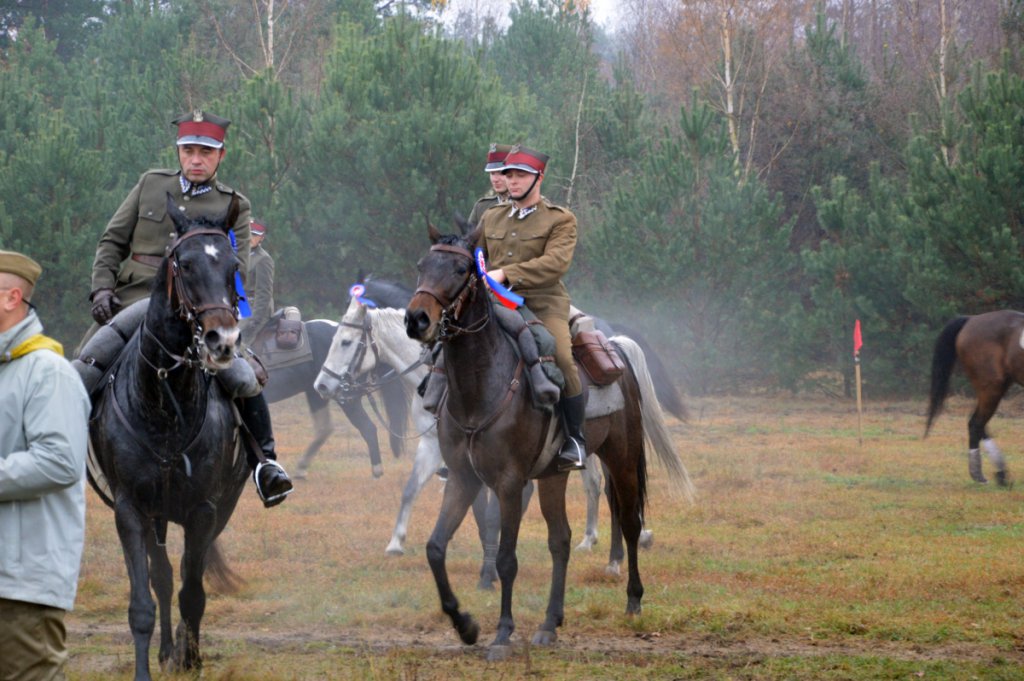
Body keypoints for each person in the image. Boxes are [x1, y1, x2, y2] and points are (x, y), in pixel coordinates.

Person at [81, 110, 292, 507]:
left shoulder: (234, 205)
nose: (196, 159)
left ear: (220, 156)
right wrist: (101, 289)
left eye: (205, 153)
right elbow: (112, 241)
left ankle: (266, 463)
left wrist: (212, 311)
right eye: (189, 150)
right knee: (82, 370)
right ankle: (63, 456)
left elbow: (237, 267)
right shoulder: (149, 184)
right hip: (132, 304)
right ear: (179, 152)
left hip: (198, 314)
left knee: (243, 380)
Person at [0, 250, 90, 680]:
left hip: (20, 585)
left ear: (10, 298)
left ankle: (263, 461)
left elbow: (59, 462)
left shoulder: (48, 372)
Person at [476, 144, 587, 472]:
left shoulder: (560, 220)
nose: (511, 181)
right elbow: (476, 256)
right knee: (451, 347)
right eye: (508, 174)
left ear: (539, 177)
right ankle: (453, 438)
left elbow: (555, 264)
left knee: (564, 358)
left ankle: (575, 439)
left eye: (520, 175)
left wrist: (506, 273)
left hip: (543, 302)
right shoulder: (490, 216)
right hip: (494, 303)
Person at [239, 219, 274, 346]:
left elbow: (264, 294)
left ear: (261, 238)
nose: (250, 237)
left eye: (254, 235)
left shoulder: (263, 259)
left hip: (254, 308)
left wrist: (254, 320)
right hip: (237, 305)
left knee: (237, 342)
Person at [467, 143, 512, 226]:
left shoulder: (527, 207)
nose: (495, 179)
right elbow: (468, 237)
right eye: (492, 173)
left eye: (501, 173)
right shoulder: (481, 207)